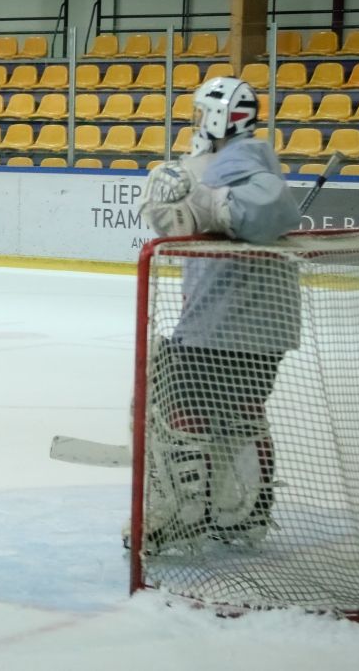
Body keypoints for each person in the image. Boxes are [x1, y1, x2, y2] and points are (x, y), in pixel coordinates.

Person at [135, 76, 301, 553]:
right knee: (243, 414)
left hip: (223, 320)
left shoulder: (233, 168)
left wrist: (206, 202)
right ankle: (243, 511)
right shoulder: (241, 163)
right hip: (260, 324)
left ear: (213, 117)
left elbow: (268, 214)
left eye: (196, 113)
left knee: (180, 409)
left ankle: (186, 510)